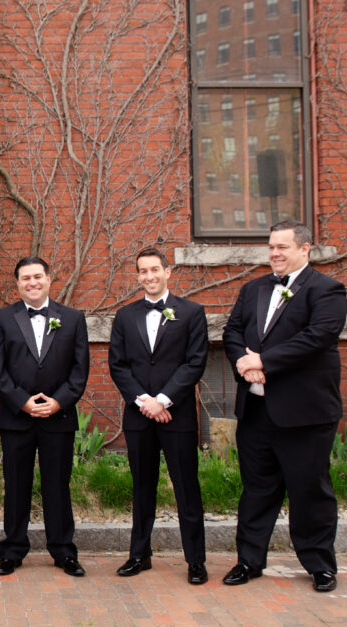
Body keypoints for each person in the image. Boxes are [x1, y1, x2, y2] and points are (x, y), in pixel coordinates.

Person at [222, 219, 347, 593]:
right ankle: (249, 560)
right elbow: (232, 332)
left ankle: (320, 565)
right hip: (257, 412)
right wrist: (245, 366)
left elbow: (318, 337)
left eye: (283, 247)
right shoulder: (253, 289)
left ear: (305, 249)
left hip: (304, 415)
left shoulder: (327, 290)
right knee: (256, 489)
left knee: (310, 490)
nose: (275, 253)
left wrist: (264, 362)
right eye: (271, 247)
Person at [108, 247, 209, 584]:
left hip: (176, 416)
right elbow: (118, 365)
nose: (149, 276)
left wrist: (164, 400)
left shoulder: (192, 312)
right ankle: (139, 555)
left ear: (168, 271)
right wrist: (144, 402)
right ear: (137, 276)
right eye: (142, 271)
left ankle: (195, 560)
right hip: (139, 417)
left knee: (186, 488)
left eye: (155, 270)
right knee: (142, 487)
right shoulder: (125, 316)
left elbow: (194, 363)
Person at [0, 256, 90, 577]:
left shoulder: (72, 319)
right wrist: (22, 402)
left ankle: (63, 551)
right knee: (16, 485)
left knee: (58, 484)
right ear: (17, 284)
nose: (32, 282)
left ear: (48, 279)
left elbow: (80, 369)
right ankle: (12, 550)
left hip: (58, 418)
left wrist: (58, 403)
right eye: (25, 278)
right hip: (17, 418)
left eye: (37, 276)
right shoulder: (1, 319)